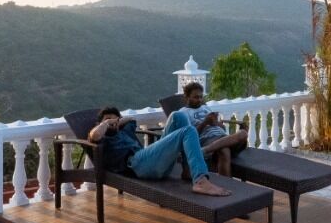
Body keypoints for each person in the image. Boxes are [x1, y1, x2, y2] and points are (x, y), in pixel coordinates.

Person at [88, 105, 231, 196]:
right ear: (99, 123)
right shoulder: (102, 136)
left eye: (115, 120)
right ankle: (200, 181)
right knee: (188, 131)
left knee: (178, 115)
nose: (112, 122)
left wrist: (118, 122)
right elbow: (95, 135)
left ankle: (188, 169)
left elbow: (131, 119)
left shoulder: (123, 130)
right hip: (136, 164)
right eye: (108, 119)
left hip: (148, 159)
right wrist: (106, 123)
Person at [179, 82, 249, 177]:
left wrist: (216, 123)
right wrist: (205, 123)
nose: (199, 100)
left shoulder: (206, 108)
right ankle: (227, 184)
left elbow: (223, 128)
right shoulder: (182, 113)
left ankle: (204, 151)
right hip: (207, 139)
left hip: (222, 137)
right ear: (187, 97)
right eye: (196, 97)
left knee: (243, 133)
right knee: (224, 150)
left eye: (201, 97)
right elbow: (188, 136)